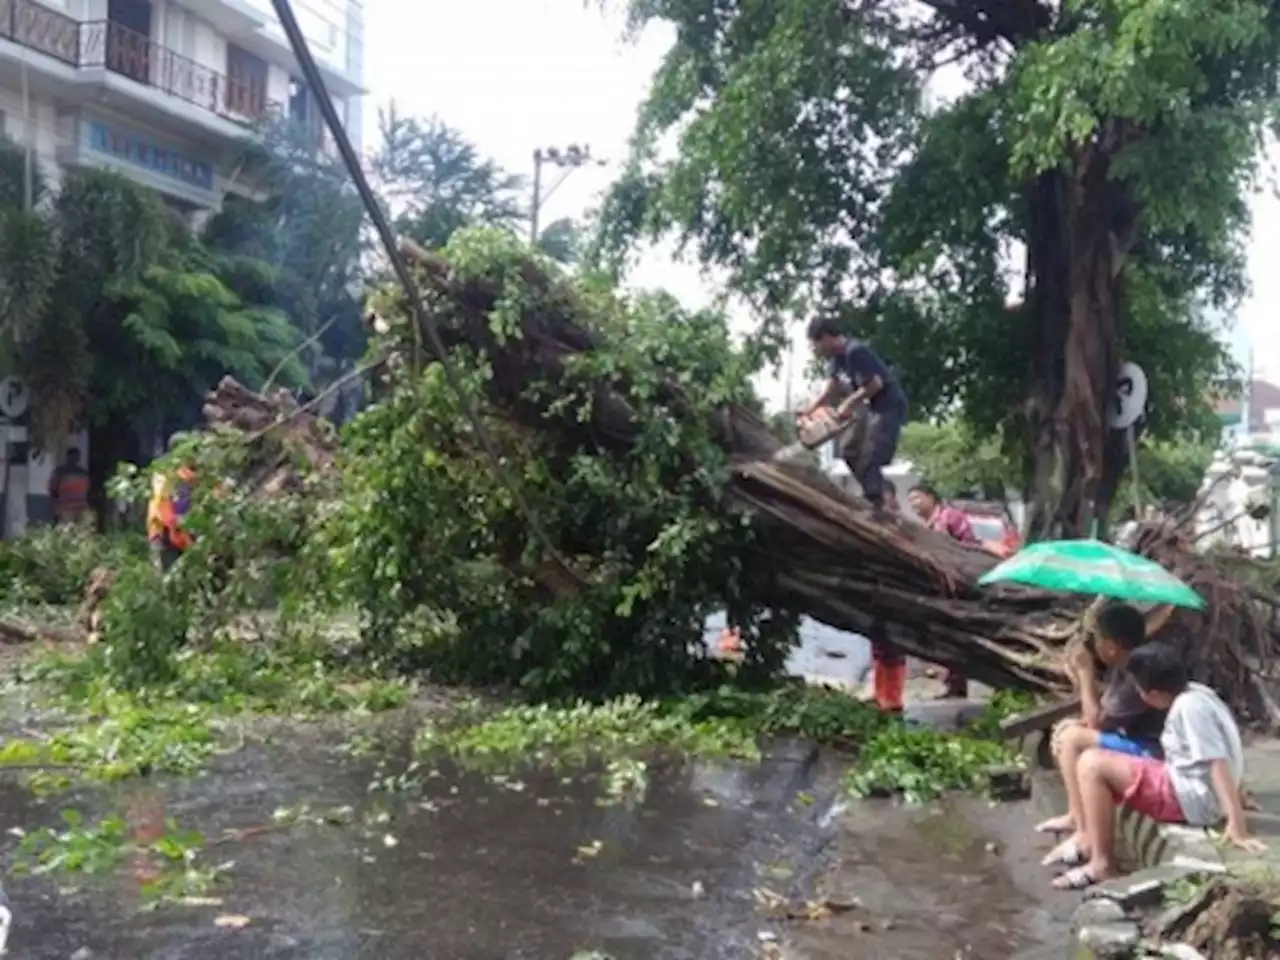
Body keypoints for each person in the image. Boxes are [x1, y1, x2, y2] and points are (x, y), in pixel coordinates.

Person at [1051, 641, 1261, 890]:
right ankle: (1089, 843)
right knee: (1097, 761)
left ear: (1152, 694)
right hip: (1188, 785)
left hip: (1191, 800)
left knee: (1091, 765)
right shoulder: (1198, 693)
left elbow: (1216, 760)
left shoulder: (1189, 708)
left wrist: (1236, 823)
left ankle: (1101, 864)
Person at [1037, 602, 1169, 863]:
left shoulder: (1136, 672)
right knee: (1069, 730)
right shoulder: (1124, 665)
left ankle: (1085, 831)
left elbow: (1096, 721)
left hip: (1150, 750)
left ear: (1110, 646)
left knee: (1073, 739)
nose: (1093, 646)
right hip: (1131, 738)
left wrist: (1085, 673)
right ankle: (1076, 815)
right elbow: (1100, 713)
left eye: (1096, 639)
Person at [799, 317, 908, 508]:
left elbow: (875, 384)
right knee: (849, 449)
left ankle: (876, 504)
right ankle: (880, 493)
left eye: (815, 344)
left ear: (825, 337)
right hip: (871, 408)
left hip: (888, 406)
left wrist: (848, 404)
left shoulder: (855, 351)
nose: (815, 350)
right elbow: (831, 389)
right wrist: (810, 409)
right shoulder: (835, 360)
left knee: (871, 455)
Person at [906, 484, 979, 698]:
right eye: (911, 501)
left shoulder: (950, 517)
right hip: (941, 588)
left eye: (917, 498)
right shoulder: (928, 525)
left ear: (931, 497)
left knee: (956, 633)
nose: (914, 505)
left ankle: (957, 682)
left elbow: (968, 546)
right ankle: (953, 682)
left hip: (956, 585)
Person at [865, 480, 908, 713]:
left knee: (894, 647)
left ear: (892, 497)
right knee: (879, 645)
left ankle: (893, 698)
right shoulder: (874, 519)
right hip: (877, 593)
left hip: (897, 594)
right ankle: (880, 693)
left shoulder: (900, 524)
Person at [146, 463, 196, 571]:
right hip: (164, 534)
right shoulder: (169, 478)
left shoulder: (191, 479)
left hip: (175, 534)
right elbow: (165, 514)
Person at [48, 448, 90, 525]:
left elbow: (86, 489)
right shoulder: (61, 472)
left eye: (77, 456)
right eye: (74, 456)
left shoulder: (83, 473)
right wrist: (55, 506)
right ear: (68, 457)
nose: (76, 458)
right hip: (67, 507)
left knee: (77, 530)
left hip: (77, 507)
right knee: (69, 529)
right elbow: (52, 489)